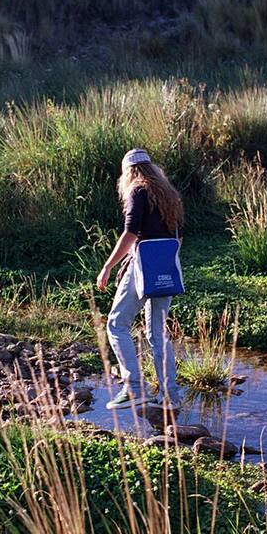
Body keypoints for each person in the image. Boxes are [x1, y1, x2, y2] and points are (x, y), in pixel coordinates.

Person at [96, 149, 184, 410]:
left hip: (141, 266)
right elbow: (178, 238)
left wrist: (108, 267)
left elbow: (130, 233)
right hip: (165, 266)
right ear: (150, 167)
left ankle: (134, 388)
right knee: (157, 334)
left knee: (116, 324)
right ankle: (171, 397)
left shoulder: (137, 190)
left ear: (129, 171)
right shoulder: (169, 194)